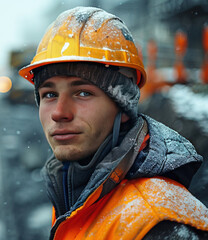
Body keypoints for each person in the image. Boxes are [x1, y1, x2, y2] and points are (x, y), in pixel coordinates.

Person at [18, 6, 208, 239]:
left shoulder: (158, 224)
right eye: (49, 94)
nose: (59, 113)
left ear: (123, 107)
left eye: (83, 93)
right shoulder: (75, 187)